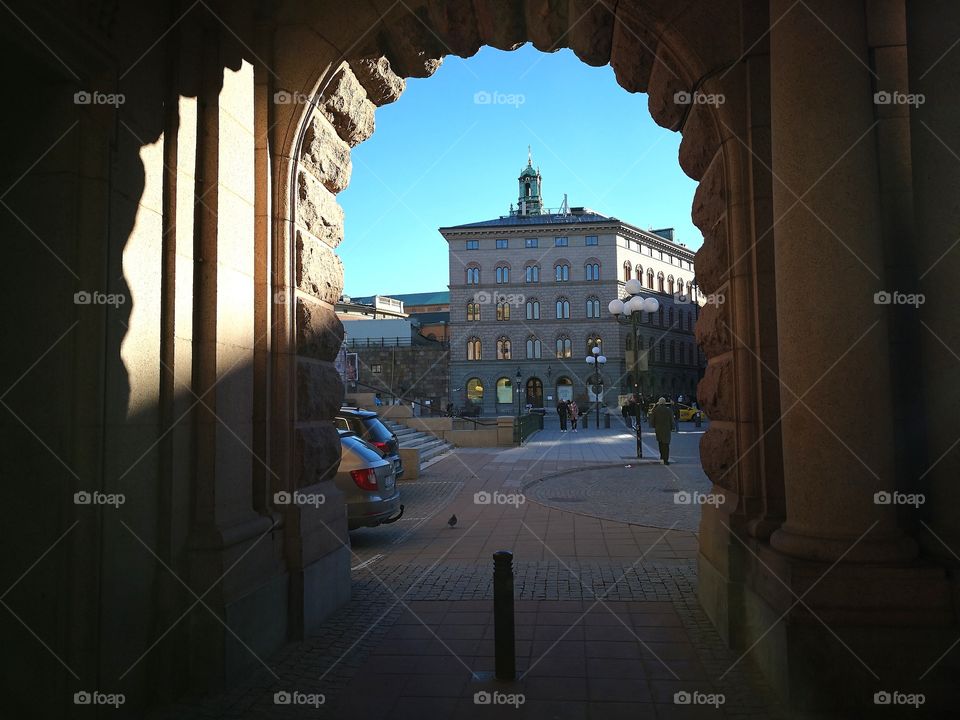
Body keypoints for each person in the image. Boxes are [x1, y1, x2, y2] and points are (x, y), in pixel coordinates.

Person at [651, 397, 675, 465]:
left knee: (660, 444)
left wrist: (654, 426)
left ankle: (662, 458)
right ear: (664, 402)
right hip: (666, 430)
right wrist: (672, 427)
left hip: (658, 430)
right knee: (666, 445)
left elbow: (652, 420)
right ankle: (666, 459)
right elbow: (671, 420)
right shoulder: (668, 410)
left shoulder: (655, 410)